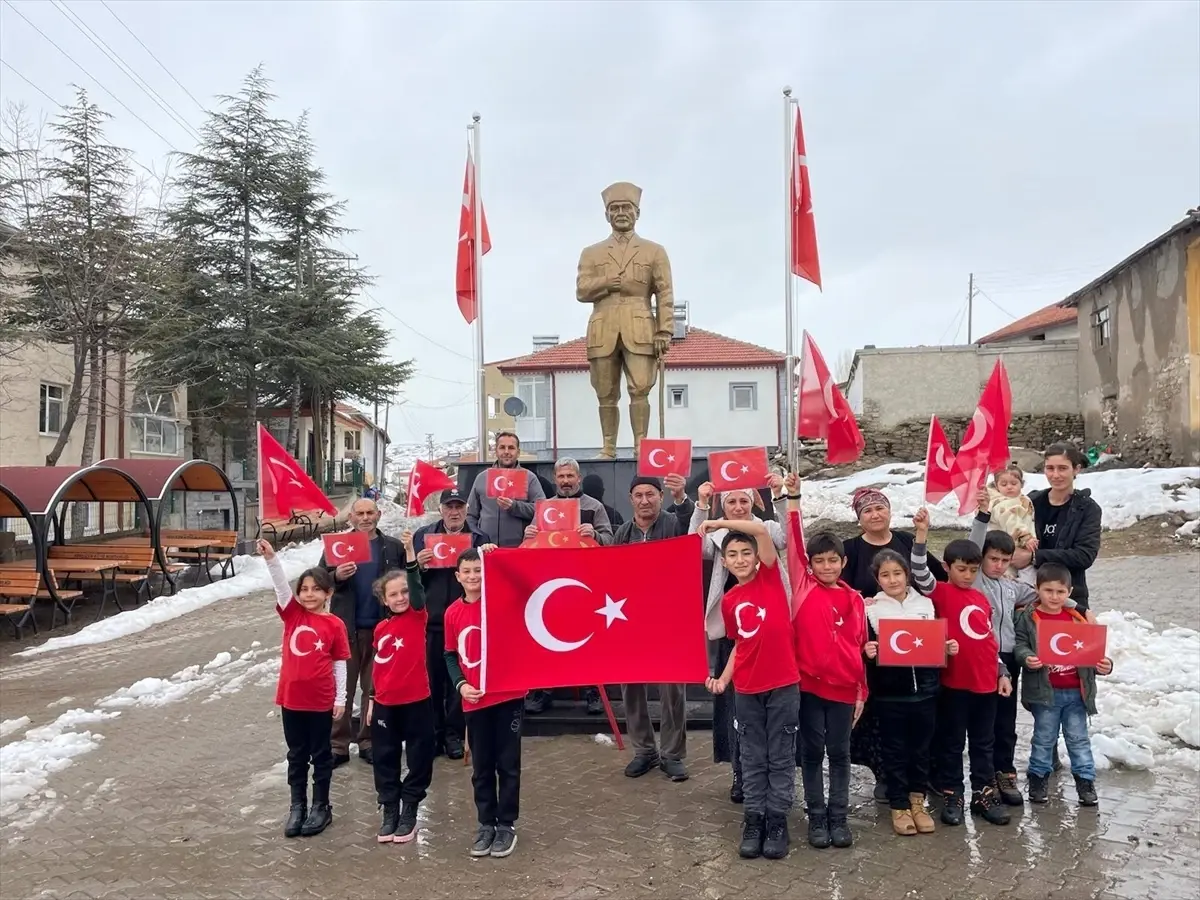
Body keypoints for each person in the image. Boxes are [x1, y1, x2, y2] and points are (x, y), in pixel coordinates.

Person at [700, 514, 798, 861]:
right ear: (724, 562)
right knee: (752, 756)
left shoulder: (771, 578)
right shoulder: (729, 600)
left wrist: (717, 523)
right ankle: (754, 818)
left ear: (757, 557)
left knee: (781, 755)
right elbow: (742, 644)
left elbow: (760, 530)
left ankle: (777, 821)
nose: (740, 559)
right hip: (746, 689)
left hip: (783, 685)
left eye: (746, 553)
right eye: (733, 555)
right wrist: (725, 678)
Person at [841, 486, 946, 803]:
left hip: (912, 644)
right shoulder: (850, 549)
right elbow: (836, 588)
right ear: (859, 519)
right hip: (869, 644)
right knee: (877, 717)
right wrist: (862, 601)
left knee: (916, 712)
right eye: (867, 511)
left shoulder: (906, 542)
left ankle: (920, 776)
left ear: (888, 511)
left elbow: (935, 579)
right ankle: (885, 776)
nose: (875, 515)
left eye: (879, 508)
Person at [911, 508, 1013, 828]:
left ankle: (983, 795)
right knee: (953, 743)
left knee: (984, 743)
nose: (967, 575)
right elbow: (918, 570)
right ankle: (952, 792)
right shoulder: (940, 591)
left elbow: (988, 640)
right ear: (947, 567)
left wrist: (1002, 672)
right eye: (961, 569)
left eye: (972, 569)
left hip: (986, 685)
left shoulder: (982, 599)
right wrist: (922, 534)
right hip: (955, 685)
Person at [691, 475, 788, 804]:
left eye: (743, 501)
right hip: (734, 628)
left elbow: (787, 535)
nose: (738, 506)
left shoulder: (765, 529)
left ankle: (775, 778)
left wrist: (780, 497)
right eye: (731, 501)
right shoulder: (717, 534)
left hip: (769, 626)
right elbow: (696, 542)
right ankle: (741, 773)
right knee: (736, 709)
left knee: (774, 709)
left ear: (752, 503)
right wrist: (702, 505)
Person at [786, 475, 868, 851]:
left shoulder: (855, 600)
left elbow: (859, 647)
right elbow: (794, 548)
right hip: (808, 686)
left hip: (843, 689)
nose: (826, 566)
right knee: (811, 752)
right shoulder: (804, 588)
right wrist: (793, 499)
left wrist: (861, 692)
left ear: (843, 561)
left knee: (840, 753)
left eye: (833, 560)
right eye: (819, 561)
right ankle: (816, 814)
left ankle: (839, 815)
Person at [259, 539, 349, 839]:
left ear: (328, 593)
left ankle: (321, 806)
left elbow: (339, 663)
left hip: (321, 701)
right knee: (297, 754)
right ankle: (297, 804)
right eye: (305, 590)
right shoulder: (293, 615)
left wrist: (340, 698)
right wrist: (272, 559)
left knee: (321, 755)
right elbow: (280, 588)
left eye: (316, 590)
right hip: (292, 699)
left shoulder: (335, 625)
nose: (310, 595)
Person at [443, 548, 526, 858]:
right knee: (481, 766)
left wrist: (498, 559)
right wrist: (461, 685)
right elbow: (450, 654)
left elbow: (525, 588)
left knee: (508, 763)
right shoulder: (452, 613)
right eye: (467, 571)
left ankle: (506, 824)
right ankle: (485, 823)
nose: (473, 576)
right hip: (474, 699)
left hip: (508, 696)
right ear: (458, 577)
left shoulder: (502, 601)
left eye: (479, 570)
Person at [862, 549, 951, 837]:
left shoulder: (925, 603)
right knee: (895, 752)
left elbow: (933, 642)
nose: (892, 580)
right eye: (885, 575)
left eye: (897, 573)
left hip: (925, 691)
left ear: (907, 575)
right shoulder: (870, 608)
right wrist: (868, 651)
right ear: (877, 579)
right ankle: (898, 806)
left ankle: (918, 802)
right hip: (890, 694)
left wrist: (946, 647)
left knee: (921, 750)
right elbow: (862, 645)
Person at [612, 474, 694, 782]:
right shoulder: (622, 532)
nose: (645, 500)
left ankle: (672, 754)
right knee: (631, 688)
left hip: (670, 620)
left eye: (650, 494)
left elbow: (691, 530)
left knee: (673, 688)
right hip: (629, 620)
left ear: (660, 496)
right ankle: (644, 750)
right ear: (631, 499)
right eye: (638, 495)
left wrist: (682, 497)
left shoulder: (674, 524)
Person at [1014, 563, 1113, 807]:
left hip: (1076, 693)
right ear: (1037, 589)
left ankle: (1085, 781)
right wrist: (1026, 657)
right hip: (1045, 693)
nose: (1054, 597)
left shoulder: (1078, 619)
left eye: (1060, 592)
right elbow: (1019, 643)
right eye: (1048, 590)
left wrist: (1105, 664)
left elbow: (1094, 652)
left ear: (1069, 592)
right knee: (1043, 739)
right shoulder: (1029, 617)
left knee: (1078, 739)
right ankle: (1038, 779)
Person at [522, 457, 613, 716]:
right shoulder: (544, 508)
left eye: (570, 476)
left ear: (578, 478)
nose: (565, 481)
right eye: (561, 477)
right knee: (548, 640)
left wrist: (595, 534)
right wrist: (528, 536)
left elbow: (609, 540)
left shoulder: (594, 508)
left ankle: (593, 691)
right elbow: (528, 548)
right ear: (555, 479)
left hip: (585, 584)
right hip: (551, 585)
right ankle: (544, 691)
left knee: (590, 640)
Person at [320, 499, 406, 766]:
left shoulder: (391, 546)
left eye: (371, 513)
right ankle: (338, 745)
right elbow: (319, 579)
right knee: (341, 689)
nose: (366, 518)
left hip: (381, 628)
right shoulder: (337, 545)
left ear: (378, 515)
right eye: (361, 513)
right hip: (346, 628)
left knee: (374, 688)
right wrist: (336, 576)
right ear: (352, 518)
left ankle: (368, 740)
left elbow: (404, 584)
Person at [411, 488, 490, 760]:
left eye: (459, 506)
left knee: (460, 681)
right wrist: (418, 565)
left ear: (466, 509)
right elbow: (411, 580)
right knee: (432, 681)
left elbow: (489, 577)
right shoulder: (424, 536)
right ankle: (433, 734)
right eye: (449, 507)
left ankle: (454, 734)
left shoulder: (479, 538)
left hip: (466, 622)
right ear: (441, 509)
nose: (454, 512)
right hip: (432, 622)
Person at [366, 532, 435, 844]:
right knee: (385, 757)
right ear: (383, 599)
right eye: (393, 594)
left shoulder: (417, 616)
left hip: (416, 701)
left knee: (419, 757)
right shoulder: (380, 629)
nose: (400, 598)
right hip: (385, 704)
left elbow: (418, 591)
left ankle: (410, 808)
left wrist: (409, 554)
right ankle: (390, 808)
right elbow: (378, 667)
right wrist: (370, 700)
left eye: (403, 592)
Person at [1011, 443, 1102, 613]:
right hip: (1026, 594)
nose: (1055, 475)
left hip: (1068, 595)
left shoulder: (1087, 509)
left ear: (1076, 469)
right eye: (1050, 468)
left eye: (1062, 468)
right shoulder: (1031, 502)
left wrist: (1034, 557)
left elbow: (1084, 555)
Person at [465, 430, 545, 548]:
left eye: (511, 448)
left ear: (518, 452)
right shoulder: (482, 478)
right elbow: (471, 515)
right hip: (487, 549)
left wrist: (514, 507)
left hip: (518, 548)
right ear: (496, 451)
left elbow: (542, 509)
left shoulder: (529, 478)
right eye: (502, 447)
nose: (506, 452)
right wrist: (478, 539)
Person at [987, 464, 1037, 584]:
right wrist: (1026, 538)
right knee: (1006, 578)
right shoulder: (1001, 504)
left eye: (1014, 483)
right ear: (996, 486)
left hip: (1023, 547)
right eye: (1004, 484)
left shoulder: (1023, 499)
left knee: (1031, 580)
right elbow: (1012, 522)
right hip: (1005, 547)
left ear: (1022, 484)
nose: (1009, 487)